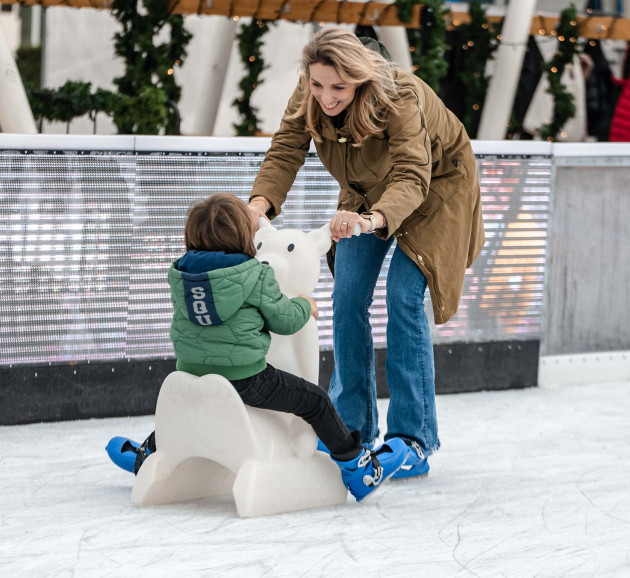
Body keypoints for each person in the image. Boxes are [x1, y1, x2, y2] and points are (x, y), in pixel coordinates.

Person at [248, 28, 485, 480]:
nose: (327, 97)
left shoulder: (400, 96)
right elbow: (286, 149)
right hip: (367, 192)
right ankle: (351, 422)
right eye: (318, 85)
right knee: (348, 294)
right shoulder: (311, 92)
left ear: (360, 78)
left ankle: (412, 438)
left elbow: (415, 176)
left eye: (339, 87)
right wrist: (259, 202)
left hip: (437, 190)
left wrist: (372, 220)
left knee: (403, 294)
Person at [120, 193, 408, 501]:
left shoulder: (179, 275)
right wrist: (304, 305)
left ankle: (148, 453)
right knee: (317, 402)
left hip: (190, 374)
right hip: (246, 379)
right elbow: (283, 320)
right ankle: (359, 468)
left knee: (186, 410)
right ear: (245, 236)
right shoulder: (255, 274)